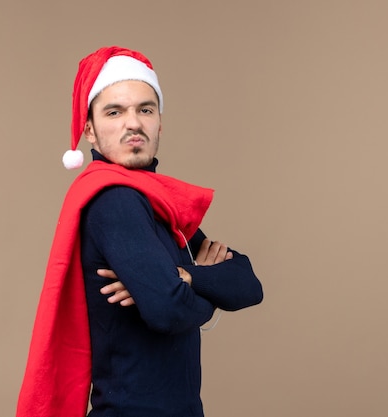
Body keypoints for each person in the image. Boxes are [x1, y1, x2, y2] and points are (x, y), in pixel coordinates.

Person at [16, 46, 263, 417]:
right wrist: (204, 287)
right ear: (90, 131)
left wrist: (185, 278)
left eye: (145, 109)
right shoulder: (115, 201)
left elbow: (248, 285)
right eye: (114, 112)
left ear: (159, 122)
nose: (133, 123)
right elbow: (167, 311)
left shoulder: (156, 203)